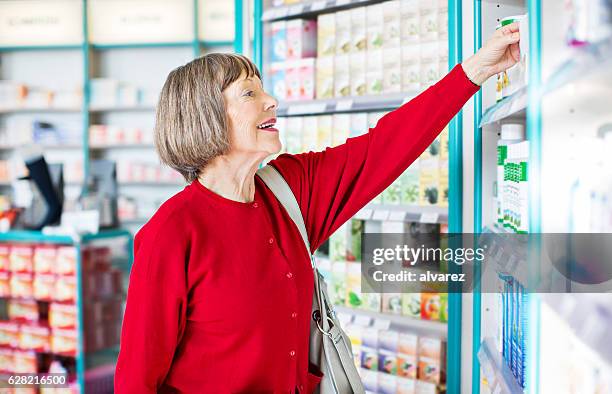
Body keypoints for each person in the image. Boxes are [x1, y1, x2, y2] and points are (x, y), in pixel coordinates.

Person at [115, 22, 521, 394]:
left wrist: (473, 73)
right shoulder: (171, 232)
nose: (271, 100)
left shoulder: (287, 191)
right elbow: (136, 379)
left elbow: (383, 147)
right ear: (207, 117)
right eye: (250, 93)